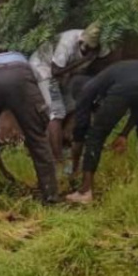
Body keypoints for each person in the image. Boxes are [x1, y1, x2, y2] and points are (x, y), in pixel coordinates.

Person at [67, 60, 138, 204]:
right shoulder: (105, 78)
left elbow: (80, 131)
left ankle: (85, 191)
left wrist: (74, 167)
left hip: (131, 83)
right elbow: (137, 109)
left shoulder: (86, 90)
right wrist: (124, 134)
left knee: (95, 135)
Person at [0, 50, 59, 203]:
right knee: (38, 141)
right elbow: (43, 111)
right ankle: (50, 197)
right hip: (19, 76)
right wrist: (36, 132)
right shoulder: (27, 62)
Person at [28, 22, 107, 168]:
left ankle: (63, 141)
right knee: (57, 112)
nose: (91, 52)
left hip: (63, 75)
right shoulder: (67, 43)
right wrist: (84, 60)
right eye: (88, 48)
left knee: (74, 106)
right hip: (43, 70)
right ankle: (57, 160)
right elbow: (55, 70)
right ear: (82, 42)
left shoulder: (97, 45)